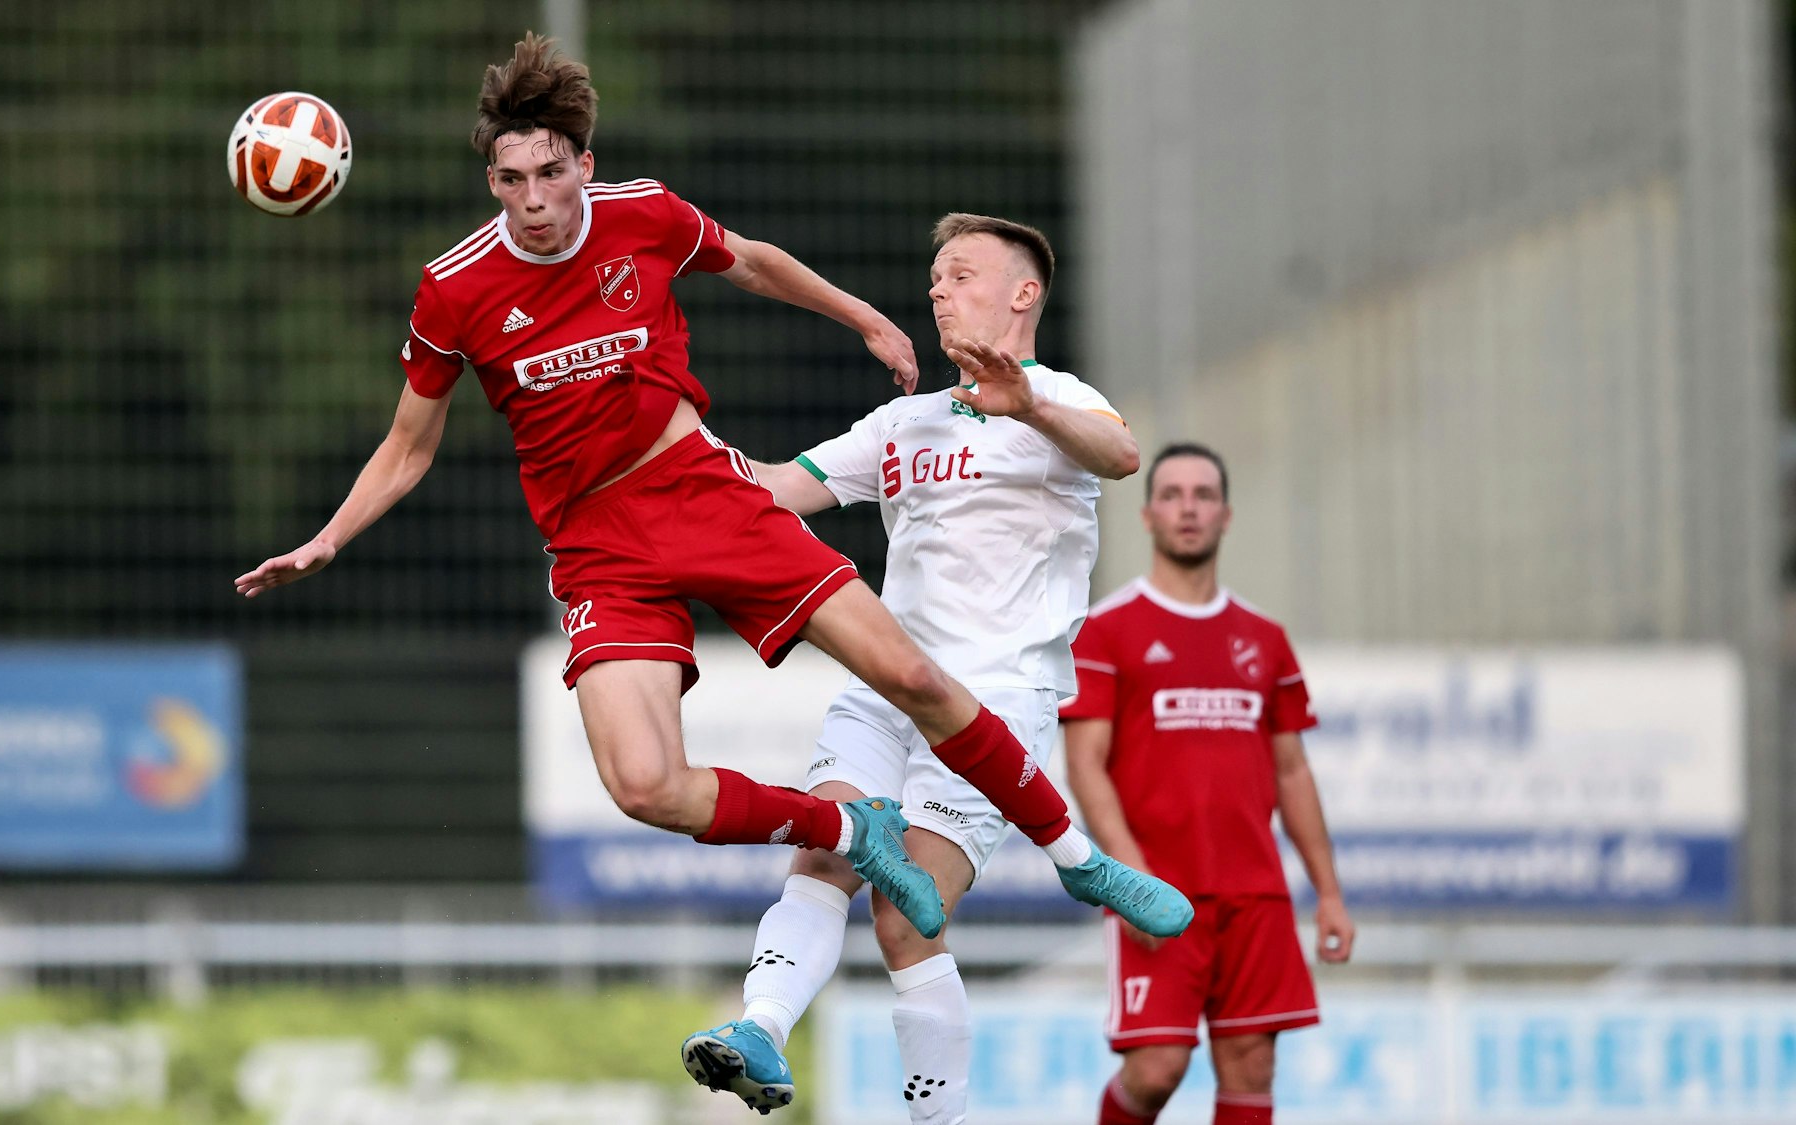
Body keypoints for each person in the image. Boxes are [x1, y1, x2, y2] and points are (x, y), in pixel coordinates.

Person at [234, 32, 1183, 971]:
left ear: (583, 165)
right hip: (595, 544)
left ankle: (1080, 860)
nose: (533, 200)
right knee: (645, 785)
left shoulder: (641, 215)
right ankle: (853, 830)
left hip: (700, 490)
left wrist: (861, 316)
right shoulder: (454, 288)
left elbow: (757, 261)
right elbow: (408, 447)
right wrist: (326, 540)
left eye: (550, 173)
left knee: (920, 680)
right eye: (511, 180)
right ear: (492, 182)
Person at [679, 213, 1172, 1121]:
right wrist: (667, 450)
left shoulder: (1061, 398)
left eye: (961, 272)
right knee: (825, 852)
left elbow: (1122, 453)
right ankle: (759, 1030)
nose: (939, 288)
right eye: (935, 274)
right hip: (886, 688)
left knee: (906, 917)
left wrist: (1029, 405)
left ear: (1023, 292)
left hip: (992, 706)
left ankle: (938, 1115)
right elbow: (779, 484)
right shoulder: (903, 420)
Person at [1060, 443, 1355, 1125]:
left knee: (1252, 1065)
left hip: (1256, 893)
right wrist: (1133, 884)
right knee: (1156, 1069)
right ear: (1147, 515)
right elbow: (1085, 765)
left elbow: (1292, 770)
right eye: (1171, 494)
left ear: (1225, 514)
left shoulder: (1265, 638)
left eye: (1202, 495)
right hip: (1159, 891)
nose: (1187, 507)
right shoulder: (1106, 630)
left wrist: (1331, 893)